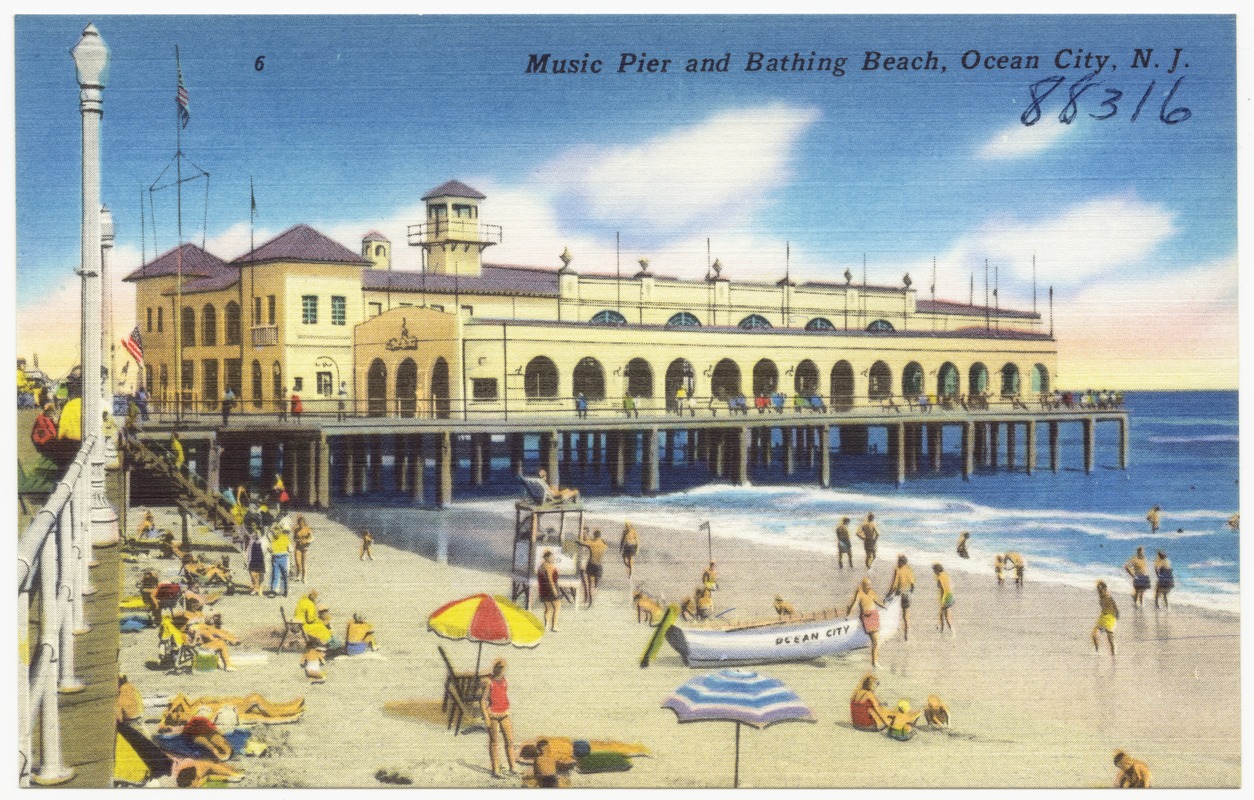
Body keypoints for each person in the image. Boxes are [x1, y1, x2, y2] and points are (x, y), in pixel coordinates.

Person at [480, 660, 517, 778]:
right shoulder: (489, 682)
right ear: (496, 669)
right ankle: (495, 769)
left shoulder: (504, 681)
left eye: (504, 669)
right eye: (500, 669)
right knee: (494, 742)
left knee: (510, 741)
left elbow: (503, 695)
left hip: (504, 714)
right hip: (493, 715)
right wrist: (486, 717)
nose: (502, 672)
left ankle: (512, 768)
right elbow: (483, 700)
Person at [847, 577, 887, 666]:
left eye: (870, 585)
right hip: (867, 617)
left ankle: (874, 661)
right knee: (876, 641)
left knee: (876, 641)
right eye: (867, 585)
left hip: (874, 615)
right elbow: (854, 604)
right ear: (863, 585)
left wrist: (885, 606)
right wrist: (849, 615)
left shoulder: (872, 592)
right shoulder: (860, 592)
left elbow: (878, 602)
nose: (869, 587)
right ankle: (875, 662)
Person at [577, 529, 608, 607]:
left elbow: (581, 543)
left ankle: (590, 602)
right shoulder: (604, 544)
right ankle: (593, 600)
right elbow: (605, 547)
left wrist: (576, 540)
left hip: (591, 564)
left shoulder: (591, 543)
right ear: (600, 536)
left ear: (594, 535)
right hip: (599, 566)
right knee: (595, 585)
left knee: (590, 584)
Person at [888, 555, 915, 642]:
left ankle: (893, 631)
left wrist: (889, 594)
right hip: (907, 594)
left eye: (899, 561)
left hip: (899, 594)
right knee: (906, 617)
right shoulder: (909, 569)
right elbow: (912, 584)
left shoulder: (897, 569)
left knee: (893, 612)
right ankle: (906, 636)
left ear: (901, 562)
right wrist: (910, 592)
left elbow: (894, 584)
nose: (897, 562)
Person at [1092, 580, 1119, 656]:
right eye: (1098, 590)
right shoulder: (1101, 596)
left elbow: (1116, 609)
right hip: (1103, 616)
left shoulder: (1109, 597)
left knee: (1110, 638)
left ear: (1105, 589)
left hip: (1111, 617)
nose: (1099, 592)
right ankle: (1097, 651)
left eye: (1100, 590)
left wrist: (1115, 619)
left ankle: (1114, 654)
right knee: (1094, 635)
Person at [537, 549, 562, 632]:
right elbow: (550, 579)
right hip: (551, 588)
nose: (553, 558)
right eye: (551, 557)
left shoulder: (541, 566)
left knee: (548, 608)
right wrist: (554, 590)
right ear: (546, 557)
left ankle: (546, 625)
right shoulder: (549, 566)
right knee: (557, 607)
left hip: (543, 589)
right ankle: (554, 626)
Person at [268, 524, 292, 597]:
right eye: (273, 532)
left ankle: (286, 589)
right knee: (275, 574)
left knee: (285, 574)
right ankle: (274, 590)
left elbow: (290, 548)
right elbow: (270, 548)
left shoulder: (285, 537)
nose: (275, 533)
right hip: (275, 558)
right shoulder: (273, 539)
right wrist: (270, 550)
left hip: (283, 557)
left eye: (276, 531)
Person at [933, 563, 955, 635]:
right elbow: (951, 586)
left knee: (945, 616)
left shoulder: (940, 577)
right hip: (950, 596)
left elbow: (942, 590)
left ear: (937, 570)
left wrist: (942, 602)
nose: (934, 572)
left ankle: (952, 632)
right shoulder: (945, 575)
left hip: (945, 598)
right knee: (943, 615)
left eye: (934, 570)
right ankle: (942, 630)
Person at [293, 515, 314, 583]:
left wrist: (308, 541)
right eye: (299, 524)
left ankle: (304, 577)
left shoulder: (307, 529)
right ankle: (298, 575)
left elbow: (312, 538)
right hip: (298, 547)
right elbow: (294, 538)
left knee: (304, 564)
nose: (300, 525)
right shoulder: (296, 530)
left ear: (304, 523)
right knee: (298, 563)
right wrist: (297, 540)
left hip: (305, 548)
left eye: (301, 524)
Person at [245, 529, 265, 596]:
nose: (256, 535)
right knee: (252, 574)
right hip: (252, 559)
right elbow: (248, 550)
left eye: (257, 534)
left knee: (261, 575)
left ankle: (260, 589)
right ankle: (255, 587)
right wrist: (246, 559)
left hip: (261, 559)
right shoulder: (251, 541)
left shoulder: (263, 541)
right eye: (255, 534)